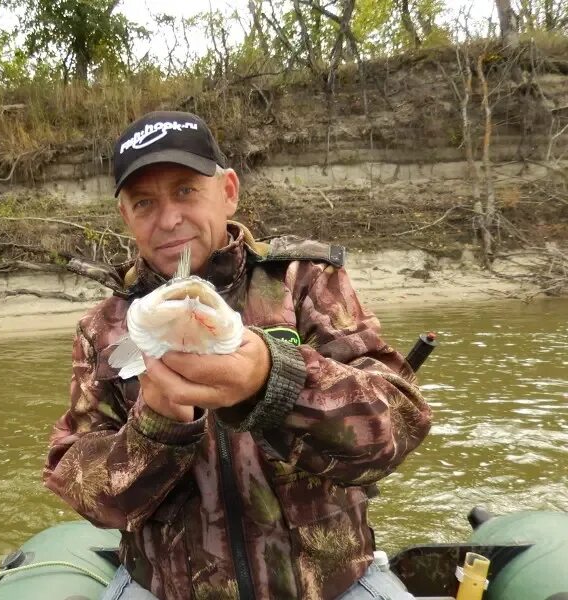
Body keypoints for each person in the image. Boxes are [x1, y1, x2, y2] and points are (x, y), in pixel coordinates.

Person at [43, 111, 432, 600]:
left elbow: (401, 424)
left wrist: (277, 381)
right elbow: (83, 488)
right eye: (144, 202)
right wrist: (155, 429)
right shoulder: (100, 329)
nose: (168, 220)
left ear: (228, 191)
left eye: (186, 190)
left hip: (331, 583)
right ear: (126, 216)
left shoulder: (305, 281)